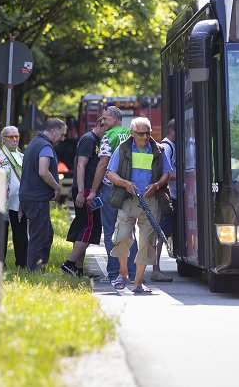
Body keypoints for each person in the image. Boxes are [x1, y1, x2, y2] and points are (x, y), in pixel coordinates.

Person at [107, 117, 171, 294]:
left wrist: (157, 185)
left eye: (148, 133)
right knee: (121, 237)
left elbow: (166, 173)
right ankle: (123, 274)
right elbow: (110, 174)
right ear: (132, 133)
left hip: (151, 201)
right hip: (128, 200)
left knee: (147, 242)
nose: (145, 137)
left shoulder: (159, 150)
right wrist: (125, 183)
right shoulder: (123, 149)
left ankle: (138, 282)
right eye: (141, 133)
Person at [91, 106, 136, 286]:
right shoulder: (132, 135)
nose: (103, 121)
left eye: (106, 118)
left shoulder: (108, 137)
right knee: (129, 230)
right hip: (131, 188)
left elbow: (103, 164)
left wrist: (94, 190)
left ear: (116, 119)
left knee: (111, 231)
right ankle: (132, 271)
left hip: (112, 189)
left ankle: (114, 272)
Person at [60, 117, 107, 278]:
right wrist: (81, 191)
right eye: (107, 129)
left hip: (86, 189)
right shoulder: (89, 140)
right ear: (100, 125)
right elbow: (81, 166)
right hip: (86, 189)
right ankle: (69, 264)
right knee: (89, 226)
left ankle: (78, 270)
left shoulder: (94, 140)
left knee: (82, 226)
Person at [20, 118, 67, 271]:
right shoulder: (45, 146)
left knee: (46, 234)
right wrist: (57, 187)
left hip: (30, 197)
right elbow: (43, 171)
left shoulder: (34, 142)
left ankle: (40, 267)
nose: (63, 138)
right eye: (61, 134)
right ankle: (35, 270)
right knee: (39, 236)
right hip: (37, 198)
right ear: (52, 131)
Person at [0, 125, 27, 269]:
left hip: (19, 202)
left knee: (20, 235)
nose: (15, 139)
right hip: (0, 203)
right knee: (0, 234)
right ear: (3, 139)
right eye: (11, 137)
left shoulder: (22, 156)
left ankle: (22, 264)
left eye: (17, 136)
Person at [151, 119, 177, 282]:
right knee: (160, 233)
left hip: (171, 195)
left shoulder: (170, 146)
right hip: (167, 196)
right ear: (173, 131)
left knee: (162, 232)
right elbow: (164, 172)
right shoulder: (167, 147)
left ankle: (156, 268)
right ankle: (156, 269)